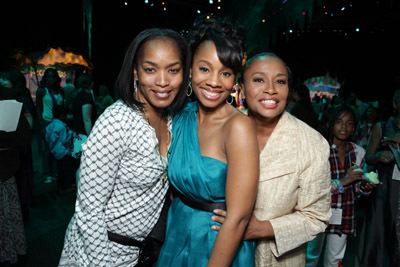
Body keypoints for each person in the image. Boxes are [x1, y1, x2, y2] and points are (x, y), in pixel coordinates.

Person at [58, 27, 190, 266]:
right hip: (99, 253)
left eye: (173, 70)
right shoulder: (117, 122)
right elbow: (89, 212)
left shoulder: (171, 119)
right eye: (151, 69)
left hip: (138, 254)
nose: (163, 81)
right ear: (135, 72)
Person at [211, 50, 332, 266]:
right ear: (242, 88)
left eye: (280, 82)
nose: (270, 89)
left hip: (274, 259)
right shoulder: (221, 128)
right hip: (216, 249)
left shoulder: (310, 143)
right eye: (259, 79)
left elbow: (316, 217)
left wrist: (261, 228)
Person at [156, 15, 259, 267]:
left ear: (234, 78)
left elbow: (238, 218)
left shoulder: (238, 126)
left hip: (217, 243)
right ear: (190, 69)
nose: (214, 81)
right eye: (204, 69)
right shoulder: (179, 117)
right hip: (177, 232)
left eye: (225, 73)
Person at [306, 105, 376, 267]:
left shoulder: (358, 152)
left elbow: (356, 188)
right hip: (317, 212)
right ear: (331, 124)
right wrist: (345, 180)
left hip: (344, 213)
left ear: (354, 127)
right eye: (339, 122)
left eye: (349, 123)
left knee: (335, 260)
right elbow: (314, 188)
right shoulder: (319, 150)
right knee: (310, 259)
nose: (344, 127)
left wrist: (364, 188)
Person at [362, 88, 400, 267]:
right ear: (395, 104)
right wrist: (379, 156)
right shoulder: (382, 126)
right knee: (377, 235)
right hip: (384, 188)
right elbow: (368, 157)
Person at [0, 84, 31, 264]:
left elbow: (25, 135)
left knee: (7, 222)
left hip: (5, 174)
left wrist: (2, 136)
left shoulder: (8, 97)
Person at [0, 68, 35, 223]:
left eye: (5, 80)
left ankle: (25, 208)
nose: (2, 82)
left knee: (23, 179)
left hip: (17, 154)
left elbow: (28, 127)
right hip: (13, 153)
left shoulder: (18, 99)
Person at [36, 68, 64, 183]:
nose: (51, 79)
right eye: (49, 77)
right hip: (47, 122)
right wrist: (41, 127)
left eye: (53, 76)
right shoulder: (42, 91)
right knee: (47, 150)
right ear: (45, 78)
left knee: (58, 149)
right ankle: (47, 173)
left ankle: (56, 172)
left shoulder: (60, 91)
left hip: (59, 123)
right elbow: (38, 108)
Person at [45, 105, 79, 194]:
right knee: (66, 170)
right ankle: (66, 187)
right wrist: (71, 133)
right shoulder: (62, 127)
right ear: (62, 115)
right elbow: (65, 139)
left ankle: (60, 187)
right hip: (63, 152)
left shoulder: (50, 125)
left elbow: (47, 138)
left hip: (55, 151)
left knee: (60, 171)